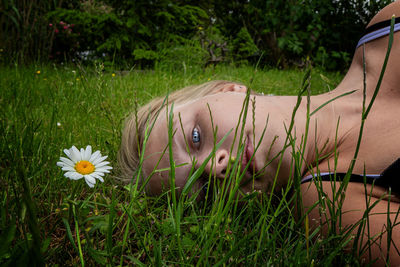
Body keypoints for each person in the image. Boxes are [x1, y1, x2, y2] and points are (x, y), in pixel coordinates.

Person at [119, 1, 400, 265]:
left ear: (228, 89)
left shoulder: (387, 29)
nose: (215, 168)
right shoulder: (329, 205)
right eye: (204, 191)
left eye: (195, 138)